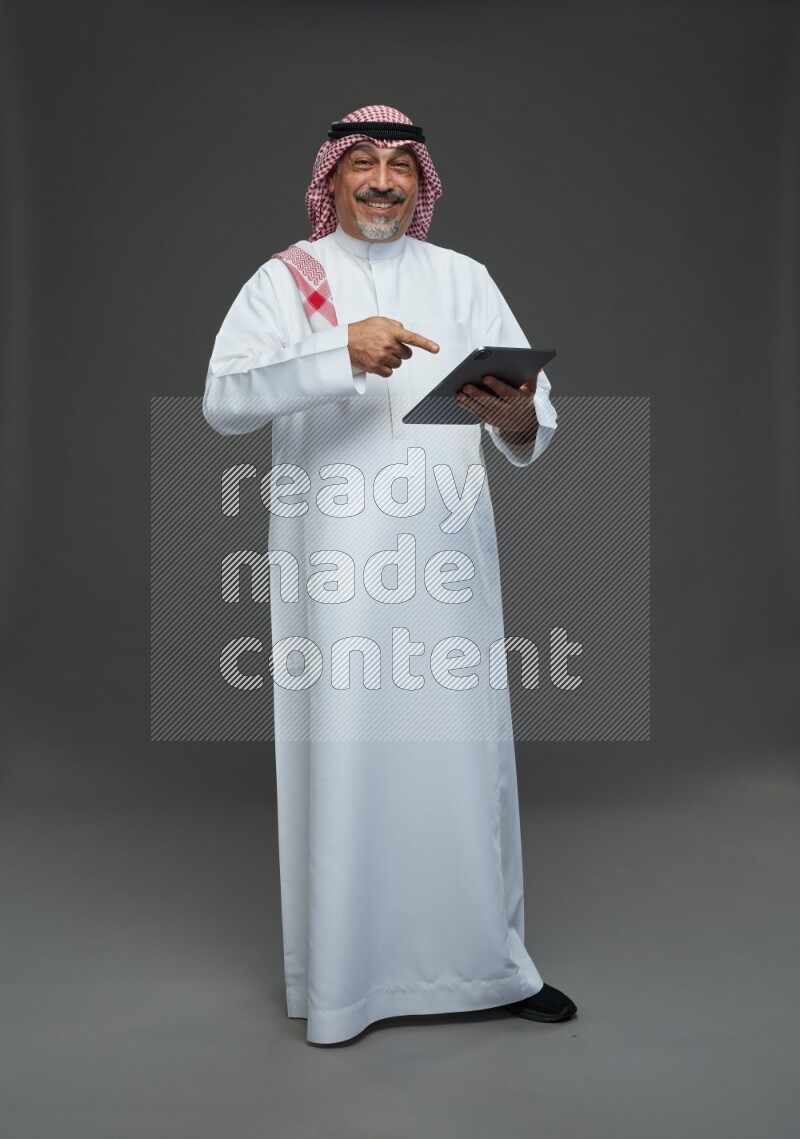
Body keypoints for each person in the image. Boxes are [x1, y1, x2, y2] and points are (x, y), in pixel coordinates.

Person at [203, 104, 577, 1044]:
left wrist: (514, 418)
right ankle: (348, 985)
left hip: (447, 568)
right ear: (329, 179)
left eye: (400, 165)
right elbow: (223, 402)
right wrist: (338, 355)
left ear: (422, 183)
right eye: (361, 162)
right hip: (335, 575)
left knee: (464, 760)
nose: (380, 180)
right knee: (351, 759)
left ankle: (488, 966)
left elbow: (537, 422)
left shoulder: (466, 279)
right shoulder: (288, 279)